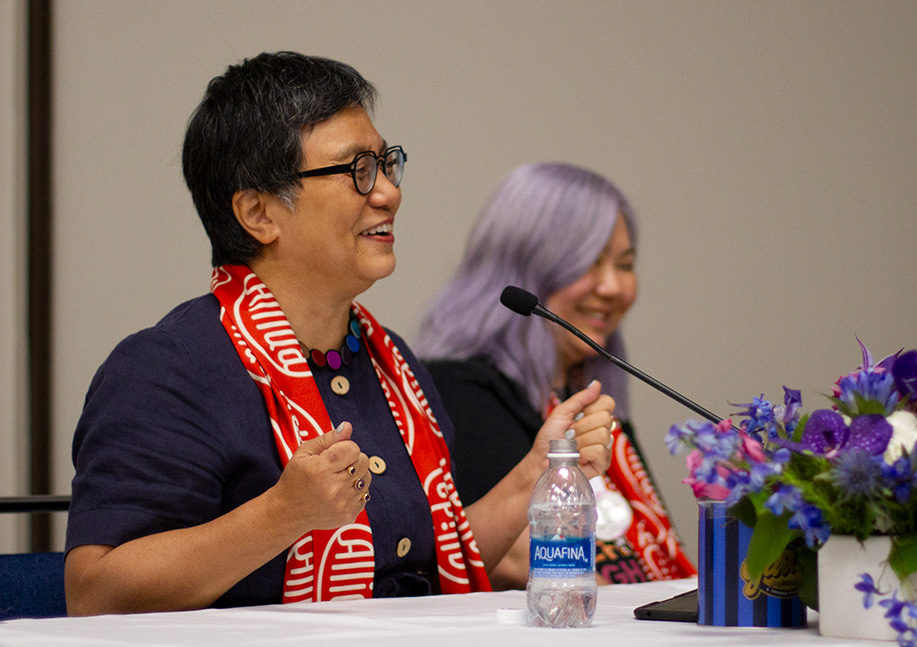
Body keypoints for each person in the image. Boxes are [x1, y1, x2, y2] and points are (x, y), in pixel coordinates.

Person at [64, 53, 615, 615]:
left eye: (386, 163)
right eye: (357, 171)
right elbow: (94, 590)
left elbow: (430, 561)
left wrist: (534, 473)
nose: (388, 193)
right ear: (258, 213)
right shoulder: (168, 368)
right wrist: (282, 514)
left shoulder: (390, 362)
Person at [416, 163, 696, 589]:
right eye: (588, 263)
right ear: (524, 269)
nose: (611, 287)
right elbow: (511, 558)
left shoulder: (584, 393)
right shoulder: (460, 393)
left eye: (624, 264)